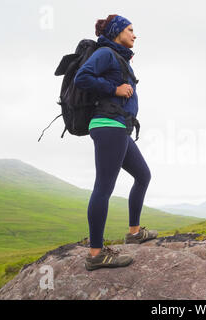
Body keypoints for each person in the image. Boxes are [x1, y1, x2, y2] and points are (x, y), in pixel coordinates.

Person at [74, 14, 158, 271]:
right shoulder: (106, 53)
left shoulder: (118, 57)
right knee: (104, 187)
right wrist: (115, 90)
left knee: (143, 175)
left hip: (119, 126)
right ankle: (96, 254)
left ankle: (134, 232)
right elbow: (82, 77)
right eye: (130, 29)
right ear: (116, 31)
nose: (135, 34)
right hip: (109, 126)